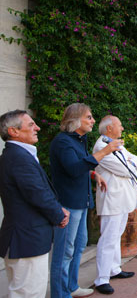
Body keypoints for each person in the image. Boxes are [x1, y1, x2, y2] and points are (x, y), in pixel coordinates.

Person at [50, 103, 121, 298]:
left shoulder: (79, 140)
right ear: (75, 119)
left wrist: (92, 174)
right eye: (88, 117)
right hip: (68, 203)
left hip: (81, 202)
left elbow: (77, 165)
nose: (92, 121)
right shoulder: (62, 142)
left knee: (79, 246)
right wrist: (105, 151)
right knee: (65, 251)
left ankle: (72, 287)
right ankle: (60, 294)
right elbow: (72, 169)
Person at [0, 110, 69, 298]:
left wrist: (58, 210)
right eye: (31, 125)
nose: (37, 128)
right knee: (29, 293)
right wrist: (59, 214)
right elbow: (37, 194)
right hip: (26, 239)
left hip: (25, 237)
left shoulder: (17, 155)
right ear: (14, 131)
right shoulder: (19, 157)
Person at [92, 116, 137, 294]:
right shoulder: (101, 147)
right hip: (112, 199)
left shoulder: (116, 143)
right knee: (108, 238)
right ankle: (101, 279)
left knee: (116, 234)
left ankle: (114, 269)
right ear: (110, 128)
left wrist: (131, 164)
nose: (122, 128)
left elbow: (136, 160)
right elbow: (126, 169)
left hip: (121, 199)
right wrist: (131, 165)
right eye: (119, 125)